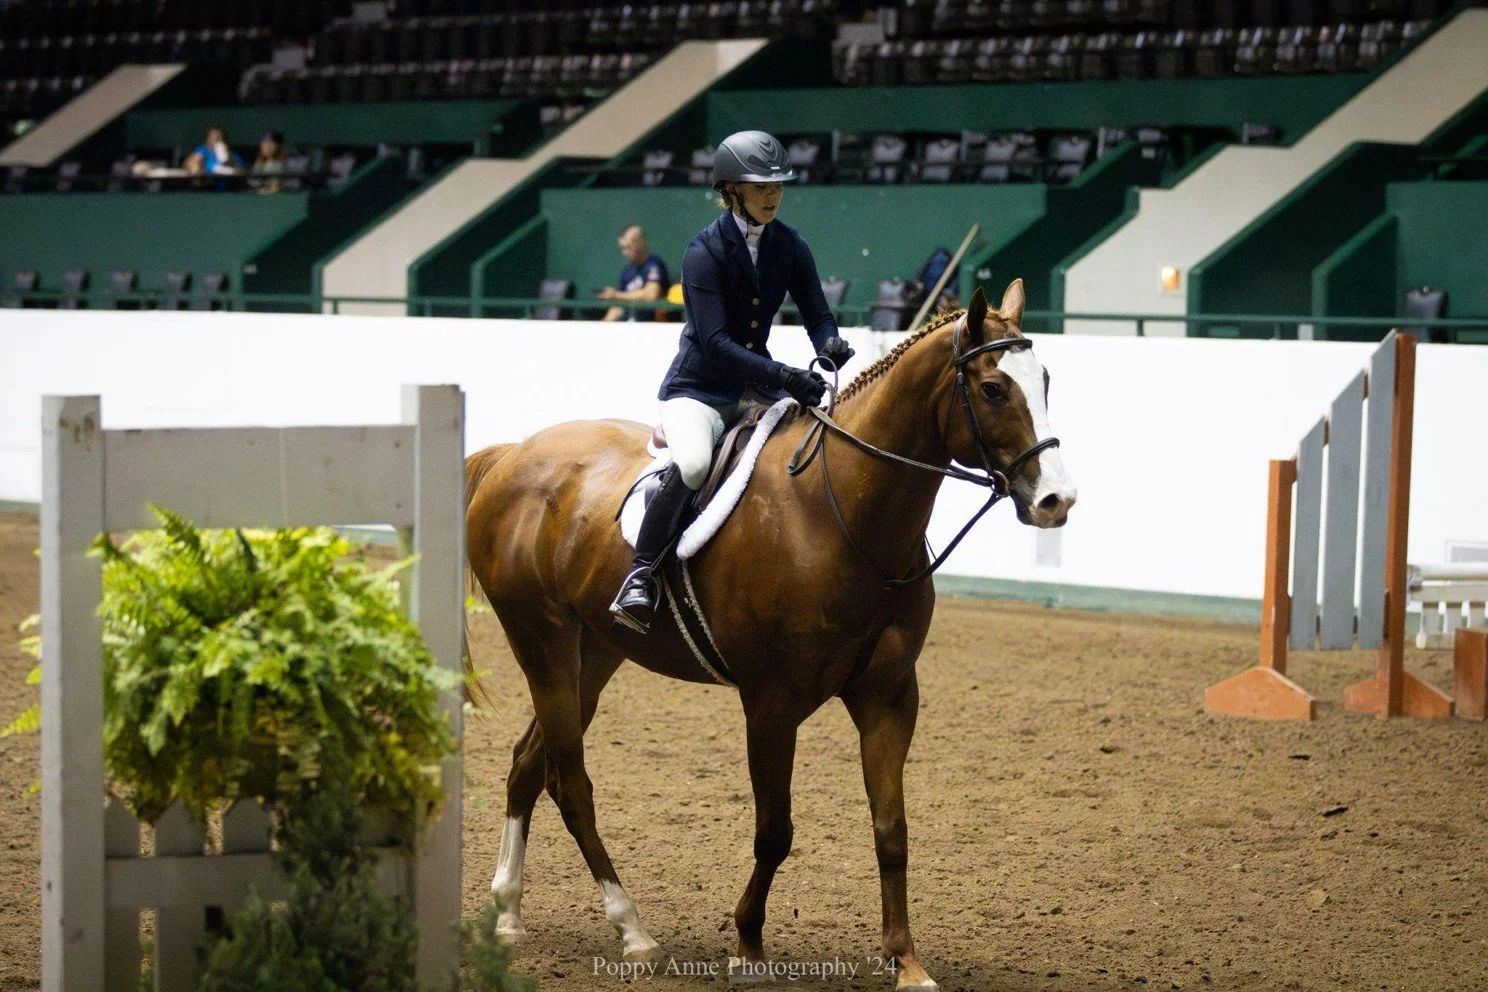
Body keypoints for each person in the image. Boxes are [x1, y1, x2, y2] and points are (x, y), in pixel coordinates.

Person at [609, 129, 855, 633]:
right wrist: (787, 376)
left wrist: (828, 344)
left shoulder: (790, 245)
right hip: (698, 388)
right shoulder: (703, 251)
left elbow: (817, 313)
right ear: (731, 190)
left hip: (755, 387)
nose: (772, 196)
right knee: (696, 463)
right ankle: (640, 575)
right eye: (760, 186)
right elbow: (717, 343)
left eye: (778, 187)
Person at [598, 225, 669, 321]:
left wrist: (616, 295)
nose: (624, 252)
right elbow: (616, 308)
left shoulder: (653, 264)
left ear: (640, 243)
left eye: (628, 247)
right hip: (627, 327)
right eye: (622, 248)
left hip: (650, 327)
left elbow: (651, 295)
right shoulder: (627, 272)